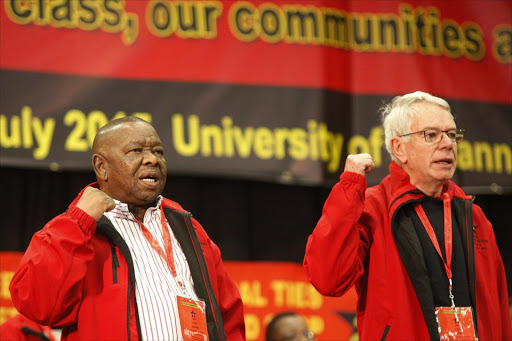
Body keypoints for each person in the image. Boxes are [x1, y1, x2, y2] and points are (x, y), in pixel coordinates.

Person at [9, 116, 245, 340]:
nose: (152, 159)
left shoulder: (188, 228)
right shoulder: (77, 229)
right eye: (136, 151)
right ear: (101, 167)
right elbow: (38, 305)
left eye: (158, 152)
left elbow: (228, 317)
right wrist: (78, 221)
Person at [303, 91, 512, 340]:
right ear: (399, 147)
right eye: (431, 135)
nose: (447, 144)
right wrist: (349, 187)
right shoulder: (372, 208)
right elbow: (328, 279)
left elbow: (499, 306)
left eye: (452, 135)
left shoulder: (473, 215)